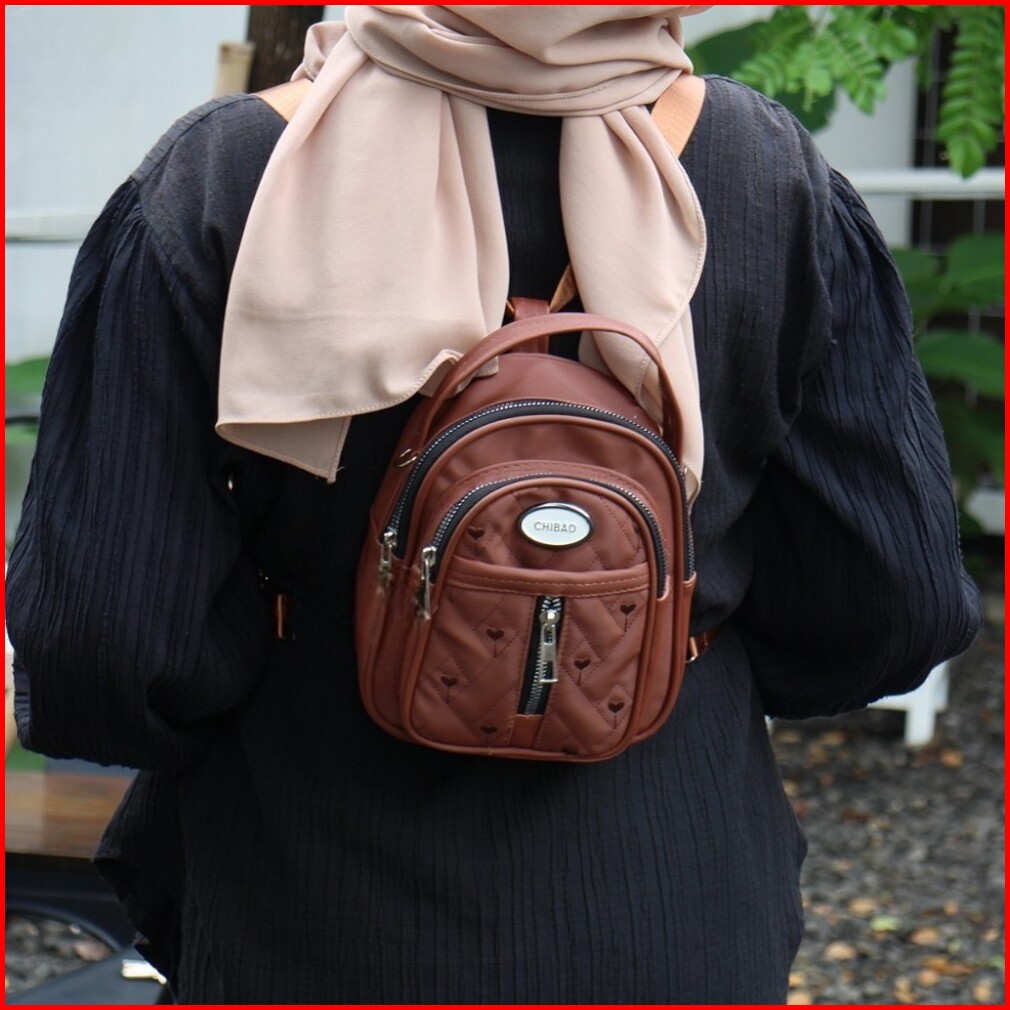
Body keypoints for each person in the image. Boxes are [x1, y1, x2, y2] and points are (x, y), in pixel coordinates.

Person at [5, 6, 983, 1004]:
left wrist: (297, 663)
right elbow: (892, 604)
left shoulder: (229, 177)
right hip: (676, 901)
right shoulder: (765, 176)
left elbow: (101, 643)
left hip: (310, 905)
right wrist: (662, 649)